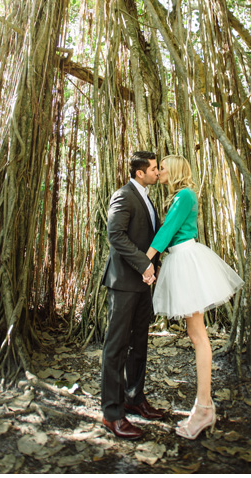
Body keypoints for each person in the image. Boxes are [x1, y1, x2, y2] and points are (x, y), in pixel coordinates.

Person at [144, 154, 244, 440]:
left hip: (187, 261)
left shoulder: (185, 195)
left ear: (173, 170)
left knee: (199, 336)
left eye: (162, 167)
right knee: (195, 333)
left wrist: (145, 261)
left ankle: (204, 407)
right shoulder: (179, 196)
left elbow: (167, 231)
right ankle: (203, 406)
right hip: (180, 260)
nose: (159, 171)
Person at [101, 151, 166, 440]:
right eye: (153, 168)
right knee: (116, 347)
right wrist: (144, 263)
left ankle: (134, 397)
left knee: (139, 344)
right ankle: (112, 414)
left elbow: (151, 235)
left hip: (143, 284)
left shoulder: (147, 197)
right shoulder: (123, 195)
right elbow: (115, 235)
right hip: (125, 282)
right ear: (140, 173)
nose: (157, 172)